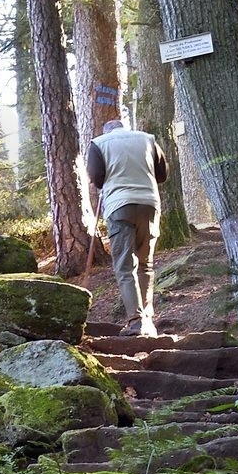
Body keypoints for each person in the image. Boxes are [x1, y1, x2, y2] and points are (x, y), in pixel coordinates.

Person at [84, 110, 169, 336]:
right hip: (149, 204)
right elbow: (162, 174)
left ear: (107, 131)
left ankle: (136, 321)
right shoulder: (147, 139)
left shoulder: (98, 144)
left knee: (124, 265)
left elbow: (97, 178)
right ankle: (148, 320)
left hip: (119, 206)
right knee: (145, 264)